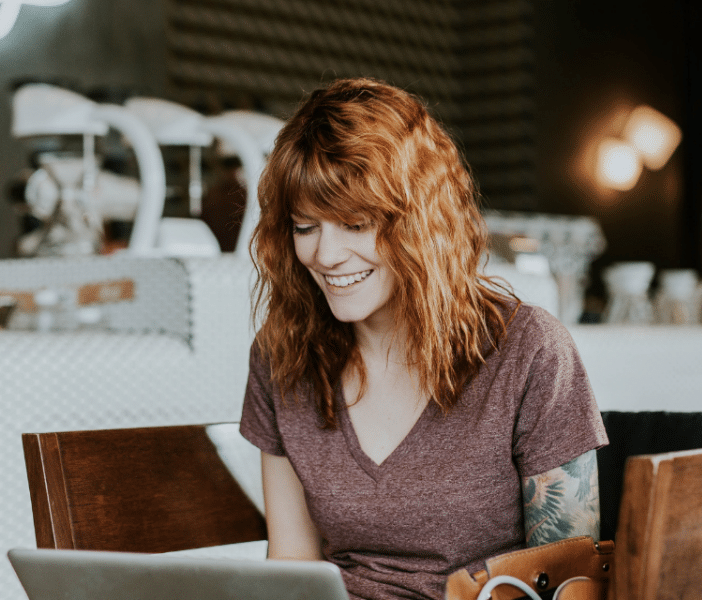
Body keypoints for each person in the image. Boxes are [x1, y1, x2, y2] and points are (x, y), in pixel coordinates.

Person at [237, 77, 608, 600]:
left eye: (356, 223)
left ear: (420, 222)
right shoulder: (281, 358)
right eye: (305, 227)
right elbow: (292, 570)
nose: (325, 255)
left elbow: (572, 585)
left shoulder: (530, 351)